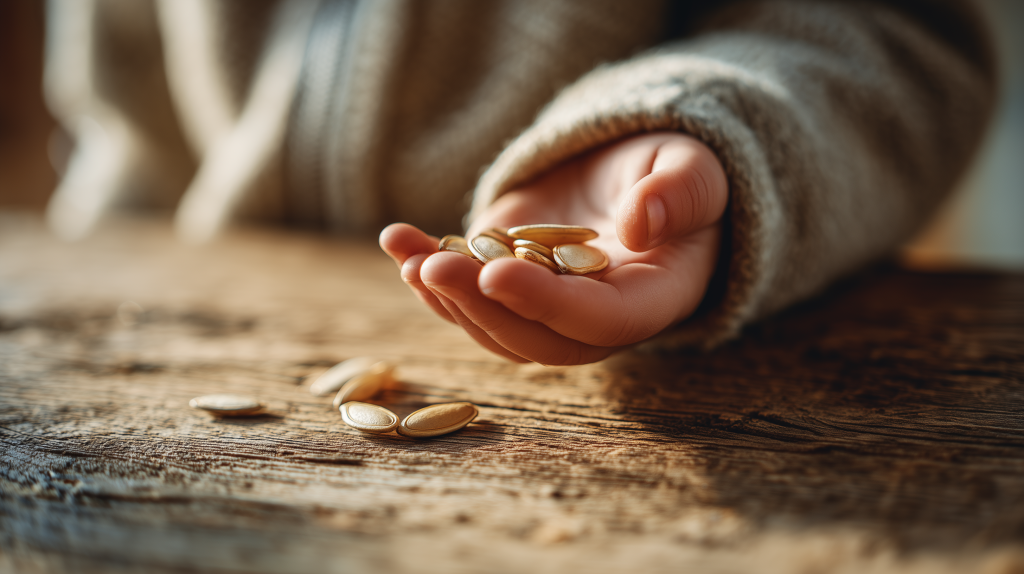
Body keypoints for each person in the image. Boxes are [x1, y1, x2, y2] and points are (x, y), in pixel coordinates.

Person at [44, 0, 996, 365]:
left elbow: (906, 46)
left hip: (703, 376)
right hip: (230, 360)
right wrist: (108, 291)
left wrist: (700, 124)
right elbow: (123, 103)